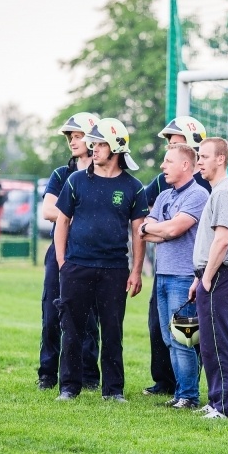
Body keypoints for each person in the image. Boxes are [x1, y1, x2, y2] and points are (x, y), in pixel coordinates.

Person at [54, 118, 148, 402]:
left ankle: (114, 390)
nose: (93, 148)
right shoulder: (75, 180)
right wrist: (62, 263)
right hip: (77, 266)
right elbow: (62, 222)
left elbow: (138, 232)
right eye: (92, 143)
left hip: (114, 269)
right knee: (72, 330)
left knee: (112, 331)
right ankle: (69, 387)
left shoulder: (134, 187)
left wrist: (136, 271)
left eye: (101, 143)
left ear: (117, 146)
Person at [142, 116, 208, 397]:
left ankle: (187, 394)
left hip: (186, 275)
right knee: (165, 334)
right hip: (163, 273)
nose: (163, 161)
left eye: (173, 147)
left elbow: (173, 228)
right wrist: (157, 229)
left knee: (186, 336)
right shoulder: (164, 191)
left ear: (187, 160)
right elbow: (148, 230)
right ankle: (171, 385)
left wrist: (159, 229)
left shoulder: (202, 190)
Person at [36, 112, 102, 391]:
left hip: (90, 254)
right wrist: (74, 216)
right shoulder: (61, 175)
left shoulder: (104, 175)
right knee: (52, 314)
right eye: (71, 137)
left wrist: (72, 215)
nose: (73, 142)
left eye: (78, 136)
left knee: (89, 318)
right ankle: (47, 374)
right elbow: (48, 210)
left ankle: (88, 376)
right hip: (60, 250)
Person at [188, 137, 228, 419]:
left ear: (220, 159)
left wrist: (207, 276)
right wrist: (200, 278)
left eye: (204, 156)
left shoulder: (223, 192)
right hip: (215, 275)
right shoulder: (219, 191)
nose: (199, 162)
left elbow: (222, 241)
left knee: (219, 344)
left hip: (221, 276)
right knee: (210, 343)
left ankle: (223, 406)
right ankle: (216, 401)